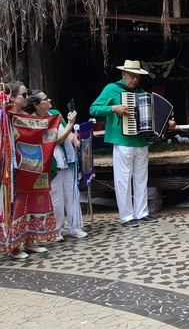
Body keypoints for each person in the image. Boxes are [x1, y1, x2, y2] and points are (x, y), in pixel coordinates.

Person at [90, 60, 158, 227]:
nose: (134, 80)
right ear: (123, 74)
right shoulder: (112, 89)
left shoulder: (142, 93)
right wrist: (113, 109)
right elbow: (94, 108)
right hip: (122, 140)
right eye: (132, 76)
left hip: (141, 140)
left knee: (142, 178)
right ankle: (126, 216)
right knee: (123, 179)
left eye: (137, 77)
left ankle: (142, 212)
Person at [1, 82, 59, 258]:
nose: (27, 98)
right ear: (11, 97)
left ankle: (29, 240)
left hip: (29, 168)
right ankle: (14, 245)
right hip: (10, 169)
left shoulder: (25, 116)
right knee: (14, 205)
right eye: (24, 95)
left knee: (30, 203)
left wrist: (62, 123)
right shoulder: (5, 116)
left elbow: (40, 135)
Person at [28, 90, 87, 240]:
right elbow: (57, 139)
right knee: (56, 198)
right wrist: (71, 125)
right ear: (36, 104)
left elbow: (67, 132)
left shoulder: (55, 112)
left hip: (68, 159)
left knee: (72, 194)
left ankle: (75, 227)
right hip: (52, 162)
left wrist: (75, 139)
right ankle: (55, 230)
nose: (49, 100)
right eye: (44, 99)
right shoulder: (35, 121)